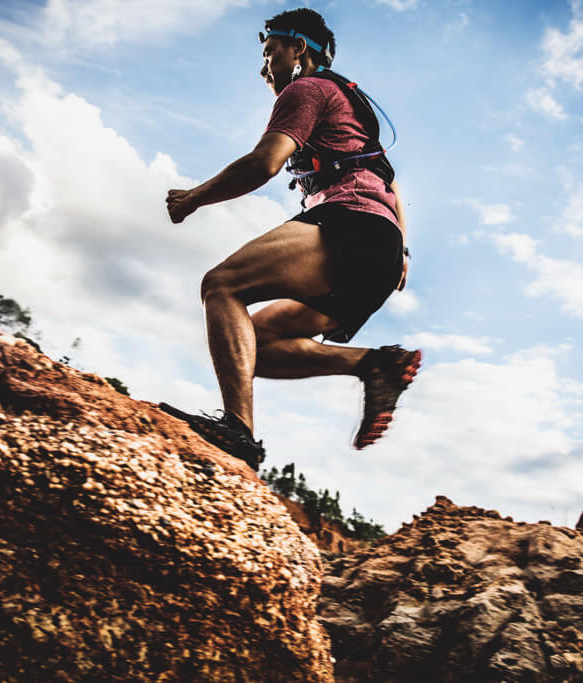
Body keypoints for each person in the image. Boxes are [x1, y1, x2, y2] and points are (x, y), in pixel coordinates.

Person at [162, 8, 420, 471]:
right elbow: (390, 180)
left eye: (269, 53)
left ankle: (237, 433)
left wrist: (193, 198)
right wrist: (400, 250)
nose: (264, 69)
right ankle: (373, 365)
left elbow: (265, 162)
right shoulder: (347, 102)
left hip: (353, 225)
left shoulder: (307, 89)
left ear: (298, 48)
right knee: (253, 346)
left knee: (221, 285)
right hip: (377, 251)